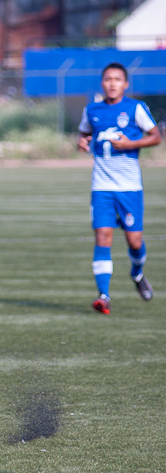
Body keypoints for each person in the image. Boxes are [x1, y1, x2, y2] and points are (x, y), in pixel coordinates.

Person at [77, 62, 161, 315]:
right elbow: (83, 134)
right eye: (107, 79)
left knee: (134, 242)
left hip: (129, 187)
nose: (112, 83)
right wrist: (81, 142)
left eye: (117, 79)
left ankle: (137, 273)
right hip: (101, 187)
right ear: (102, 83)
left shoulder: (135, 108)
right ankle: (103, 296)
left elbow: (156, 136)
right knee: (102, 237)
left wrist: (130, 144)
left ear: (125, 84)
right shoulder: (92, 110)